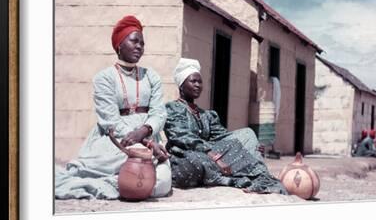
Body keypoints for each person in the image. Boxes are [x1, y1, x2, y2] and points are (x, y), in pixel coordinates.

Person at [55, 15, 172, 200]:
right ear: (119, 44)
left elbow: (159, 112)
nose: (139, 46)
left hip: (149, 137)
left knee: (163, 184)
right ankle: (117, 181)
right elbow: (110, 119)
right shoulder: (104, 78)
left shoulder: (152, 76)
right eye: (134, 41)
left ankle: (123, 183)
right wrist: (140, 141)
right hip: (115, 140)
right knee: (127, 176)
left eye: (142, 43)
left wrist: (144, 133)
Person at [163, 58, 288, 194]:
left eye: (200, 81)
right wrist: (213, 155)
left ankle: (261, 179)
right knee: (196, 161)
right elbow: (182, 137)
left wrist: (249, 146)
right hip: (185, 157)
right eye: (193, 81)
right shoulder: (172, 108)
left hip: (209, 157)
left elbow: (224, 137)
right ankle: (228, 179)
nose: (198, 85)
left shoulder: (207, 115)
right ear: (181, 85)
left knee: (247, 134)